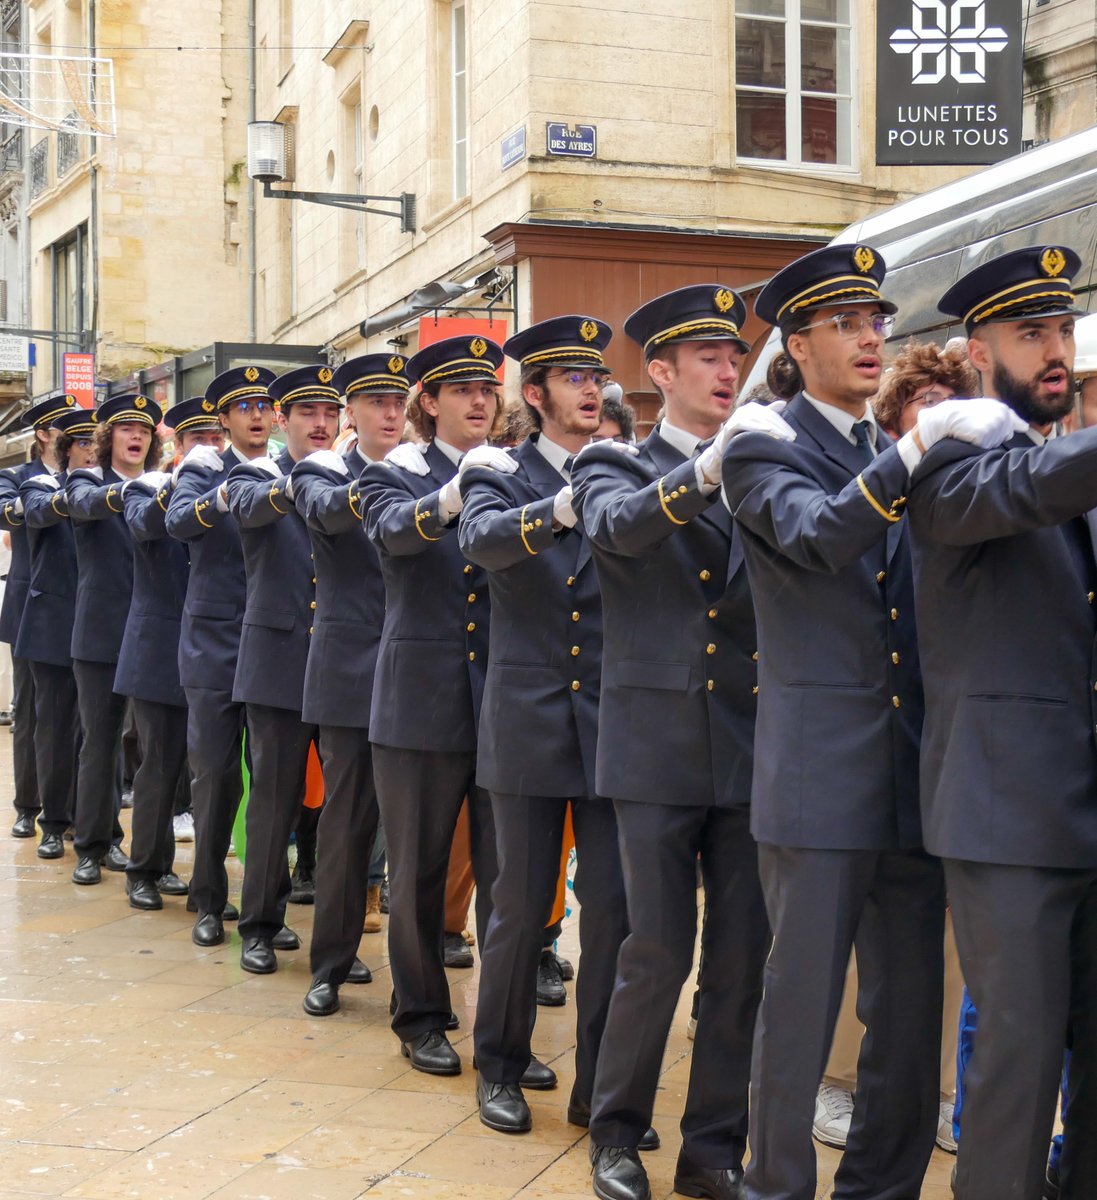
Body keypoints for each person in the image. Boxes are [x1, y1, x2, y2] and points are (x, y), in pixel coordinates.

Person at [721, 244, 1021, 1200]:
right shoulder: (764, 442)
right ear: (795, 343)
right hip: (815, 777)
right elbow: (814, 536)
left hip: (910, 767)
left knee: (905, 1012)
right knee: (801, 1009)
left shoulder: (870, 449)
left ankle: (879, 1187)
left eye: (876, 321)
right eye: (845, 324)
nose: (869, 339)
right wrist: (917, 449)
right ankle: (776, 1186)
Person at [571, 284, 781, 1200]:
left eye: (734, 357)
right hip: (653, 744)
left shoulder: (764, 463)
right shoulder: (611, 464)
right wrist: (702, 474)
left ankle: (711, 1151)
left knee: (739, 964)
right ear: (659, 373)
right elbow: (617, 530)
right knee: (650, 951)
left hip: (747, 742)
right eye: (707, 357)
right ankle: (616, 1128)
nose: (728, 369)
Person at [909, 245, 1097, 1200]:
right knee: (1017, 1067)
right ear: (978, 353)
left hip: (1083, 805)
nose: (1055, 350)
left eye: (1062, 329)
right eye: (1030, 333)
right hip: (1006, 814)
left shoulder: (1064, 461)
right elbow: (1024, 494)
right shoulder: (952, 456)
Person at [459, 315, 627, 1134]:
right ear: (535, 394)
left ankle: (600, 1085)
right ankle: (498, 1063)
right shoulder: (500, 470)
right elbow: (484, 541)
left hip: (611, 723)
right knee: (519, 908)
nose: (592, 390)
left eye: (597, 379)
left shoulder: (624, 470)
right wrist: (560, 507)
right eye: (573, 379)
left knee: (613, 911)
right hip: (526, 717)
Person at [814, 336, 979, 1152]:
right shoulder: (872, 490)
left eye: (954, 402)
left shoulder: (974, 496)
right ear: (896, 417)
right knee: (857, 946)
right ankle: (838, 1082)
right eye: (924, 402)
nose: (940, 417)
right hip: (860, 742)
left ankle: (935, 1088)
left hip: (941, 741)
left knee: (937, 943)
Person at [357, 335, 502, 1076]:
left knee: (506, 871)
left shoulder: (511, 471)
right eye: (461, 390)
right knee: (415, 869)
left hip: (500, 698)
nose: (479, 402)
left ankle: (501, 1033)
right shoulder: (397, 473)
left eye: (487, 390)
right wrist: (452, 495)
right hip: (420, 699)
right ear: (429, 403)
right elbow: (390, 532)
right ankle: (418, 1014)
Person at [288, 353, 409, 1015]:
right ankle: (329, 964)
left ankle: (423, 966)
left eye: (398, 402)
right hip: (351, 675)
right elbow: (328, 510)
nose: (390, 414)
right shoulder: (325, 469)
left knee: (418, 835)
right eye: (375, 404)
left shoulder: (426, 469)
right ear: (349, 414)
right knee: (347, 826)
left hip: (419, 672)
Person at [225, 365, 343, 976]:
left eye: (329, 413)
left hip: (344, 661)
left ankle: (336, 933)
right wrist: (300, 485)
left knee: (345, 806)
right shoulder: (258, 474)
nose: (321, 424)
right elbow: (245, 507)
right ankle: (260, 924)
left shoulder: (360, 478)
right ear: (281, 419)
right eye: (306, 414)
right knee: (274, 796)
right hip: (279, 659)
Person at [166, 365, 276, 946]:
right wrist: (220, 494)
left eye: (264, 405)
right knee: (214, 777)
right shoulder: (206, 468)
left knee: (271, 783)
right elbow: (179, 522)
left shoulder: (289, 468)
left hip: (273, 644)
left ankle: (265, 906)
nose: (257, 415)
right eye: (244, 407)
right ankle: (209, 899)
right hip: (214, 644)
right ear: (225, 421)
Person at [115, 397, 223, 910]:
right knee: (157, 763)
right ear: (176, 446)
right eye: (196, 440)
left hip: (206, 646)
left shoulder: (226, 490)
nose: (208, 448)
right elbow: (142, 523)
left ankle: (196, 875)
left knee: (198, 771)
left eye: (214, 440)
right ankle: (145, 868)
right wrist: (181, 484)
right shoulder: (149, 487)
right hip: (158, 646)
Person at [66, 394, 164, 885]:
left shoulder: (165, 486)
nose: (136, 436)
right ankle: (93, 845)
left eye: (144, 430)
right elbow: (82, 505)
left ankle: (151, 853)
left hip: (150, 633)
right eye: (126, 428)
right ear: (109, 438)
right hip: (102, 632)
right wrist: (130, 495)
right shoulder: (89, 479)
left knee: (155, 749)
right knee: (99, 742)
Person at [13, 401, 93, 859]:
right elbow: (24, 512)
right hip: (48, 617)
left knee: (96, 731)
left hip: (98, 619)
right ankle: (43, 813)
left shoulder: (110, 486)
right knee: (45, 722)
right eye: (77, 440)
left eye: (90, 440)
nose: (87, 449)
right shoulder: (35, 484)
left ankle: (89, 821)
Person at [0, 395, 65, 839]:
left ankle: (72, 807)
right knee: (30, 709)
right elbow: (8, 514)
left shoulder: (93, 475)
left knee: (77, 716)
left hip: (82, 606)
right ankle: (28, 804)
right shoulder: (18, 477)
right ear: (43, 434)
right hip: (31, 608)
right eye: (65, 426)